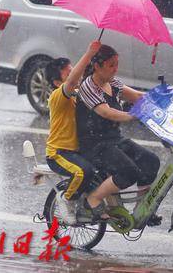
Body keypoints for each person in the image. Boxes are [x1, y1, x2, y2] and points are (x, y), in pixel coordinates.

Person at [76, 44, 161, 221]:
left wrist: (161, 99)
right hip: (94, 145)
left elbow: (137, 96)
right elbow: (106, 112)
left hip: (114, 140)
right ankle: (93, 199)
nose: (115, 69)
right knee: (129, 172)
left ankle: (142, 208)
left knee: (151, 161)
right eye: (111, 65)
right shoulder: (88, 87)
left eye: (116, 64)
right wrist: (133, 115)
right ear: (97, 66)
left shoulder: (112, 83)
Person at [45, 40, 101, 225]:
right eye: (68, 73)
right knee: (83, 172)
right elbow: (72, 82)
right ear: (56, 81)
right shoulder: (58, 96)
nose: (73, 74)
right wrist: (89, 54)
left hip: (77, 151)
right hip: (59, 153)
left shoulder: (78, 94)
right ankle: (66, 199)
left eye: (72, 69)